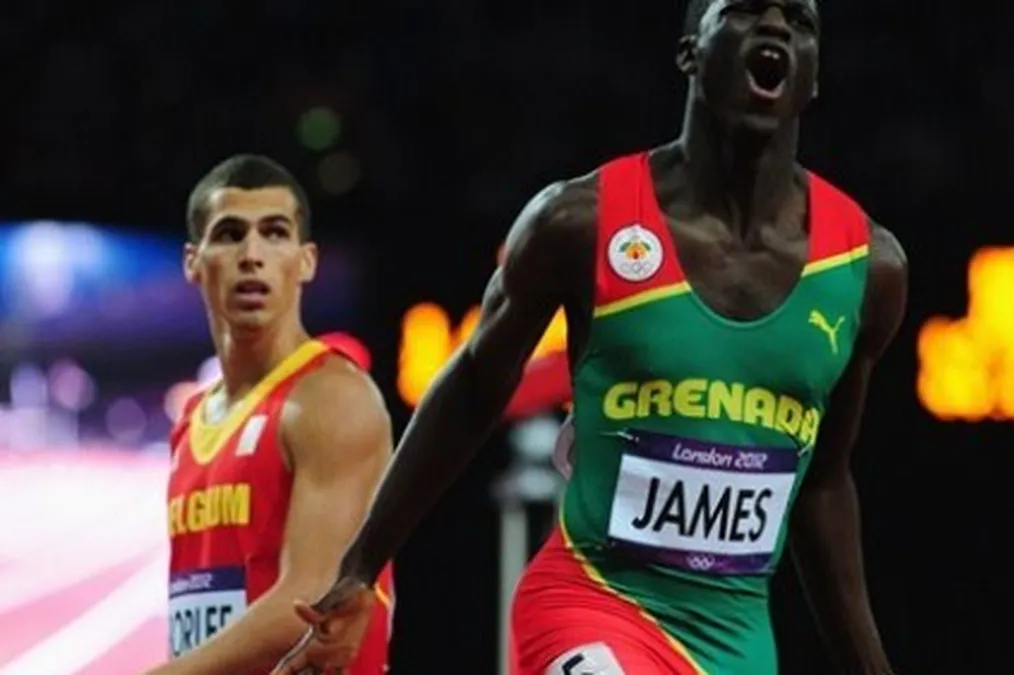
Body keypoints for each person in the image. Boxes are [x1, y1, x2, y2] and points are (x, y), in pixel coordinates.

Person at [277, 0, 908, 672]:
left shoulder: (866, 268)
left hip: (737, 644)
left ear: (813, 78)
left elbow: (823, 485)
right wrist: (361, 565)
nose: (776, 25)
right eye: (746, 10)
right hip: (590, 604)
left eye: (799, 20)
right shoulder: (579, 222)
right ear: (690, 51)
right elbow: (474, 386)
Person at [146, 154, 394, 675]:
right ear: (193, 261)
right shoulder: (192, 421)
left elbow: (310, 604)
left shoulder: (331, 398)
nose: (252, 255)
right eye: (230, 234)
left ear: (306, 261)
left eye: (275, 233)